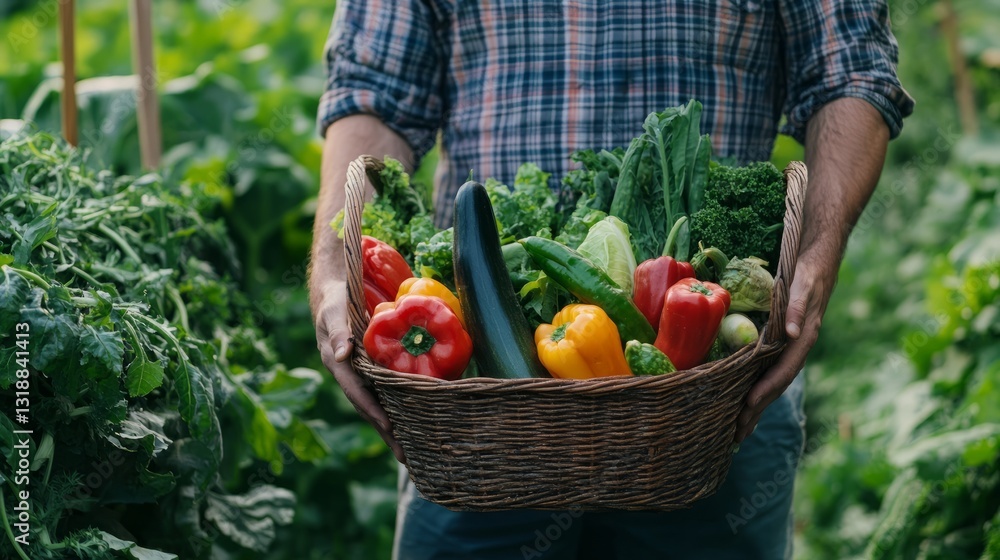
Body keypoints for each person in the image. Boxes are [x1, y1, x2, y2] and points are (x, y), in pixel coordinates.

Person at [309, 1, 913, 558]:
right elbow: (373, 93)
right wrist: (336, 269)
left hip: (714, 392)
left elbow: (852, 74)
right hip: (474, 406)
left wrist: (815, 259)